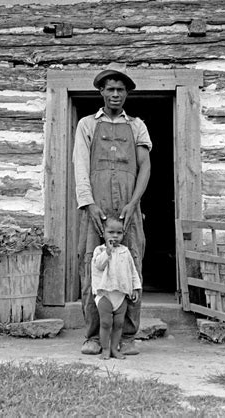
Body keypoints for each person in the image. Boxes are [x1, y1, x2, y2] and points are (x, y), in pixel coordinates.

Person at [73, 69, 151, 355]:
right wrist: (89, 203)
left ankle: (128, 337)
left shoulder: (138, 126)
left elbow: (145, 167)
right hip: (97, 208)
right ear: (102, 92)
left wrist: (134, 203)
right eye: (110, 89)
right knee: (92, 269)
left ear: (127, 93)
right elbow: (80, 166)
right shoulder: (87, 125)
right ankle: (94, 337)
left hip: (129, 209)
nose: (115, 94)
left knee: (132, 269)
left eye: (120, 89)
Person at [92, 216, 142, 360]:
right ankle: (105, 348)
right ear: (103, 233)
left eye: (119, 233)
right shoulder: (99, 250)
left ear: (123, 234)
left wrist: (135, 288)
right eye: (111, 232)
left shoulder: (125, 251)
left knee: (119, 323)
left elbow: (132, 271)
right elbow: (99, 265)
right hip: (104, 293)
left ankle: (114, 348)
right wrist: (107, 251)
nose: (115, 236)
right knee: (106, 323)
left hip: (120, 294)